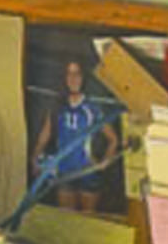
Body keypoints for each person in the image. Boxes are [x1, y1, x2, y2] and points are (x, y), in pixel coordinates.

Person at [30, 57, 121, 212]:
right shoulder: (57, 106)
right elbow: (44, 136)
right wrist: (34, 158)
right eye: (69, 74)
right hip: (64, 172)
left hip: (87, 173)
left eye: (77, 73)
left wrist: (105, 161)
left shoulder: (92, 107)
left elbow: (113, 139)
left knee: (88, 221)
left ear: (83, 77)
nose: (73, 78)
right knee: (67, 221)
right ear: (64, 78)